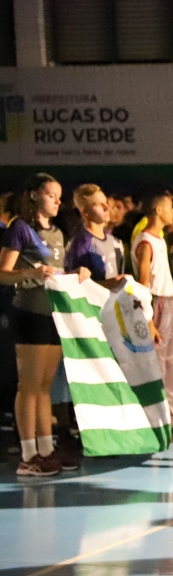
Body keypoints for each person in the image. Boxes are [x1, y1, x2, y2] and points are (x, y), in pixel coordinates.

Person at [0, 173, 80, 476]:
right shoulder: (20, 228)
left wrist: (78, 275)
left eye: (59, 196)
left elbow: (58, 273)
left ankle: (46, 449)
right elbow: (3, 273)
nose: (58, 201)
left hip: (53, 314)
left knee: (45, 387)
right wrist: (31, 273)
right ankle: (28, 456)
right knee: (29, 386)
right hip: (29, 312)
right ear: (34, 195)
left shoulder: (58, 233)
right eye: (51, 195)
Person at [132, 192, 173, 440]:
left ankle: (170, 417)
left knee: (170, 364)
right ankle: (155, 422)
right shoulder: (145, 242)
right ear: (158, 210)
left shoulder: (160, 240)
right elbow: (144, 284)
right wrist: (148, 320)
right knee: (156, 364)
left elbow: (163, 277)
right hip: (155, 304)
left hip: (167, 302)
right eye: (170, 208)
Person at [65, 185, 128, 288]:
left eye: (106, 202)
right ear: (84, 211)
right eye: (99, 205)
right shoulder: (81, 244)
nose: (107, 208)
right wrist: (109, 284)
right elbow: (76, 286)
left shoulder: (115, 242)